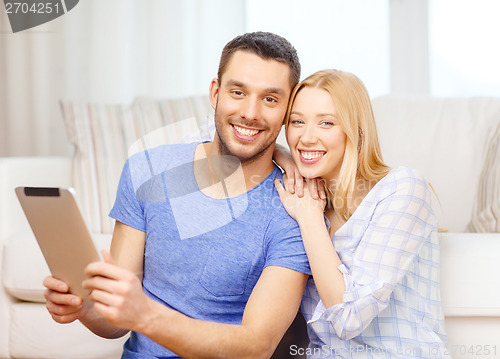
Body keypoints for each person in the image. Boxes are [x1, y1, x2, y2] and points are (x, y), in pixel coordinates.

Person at [43, 31, 313, 359]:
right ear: (215, 93)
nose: (251, 113)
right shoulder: (147, 170)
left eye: (270, 99)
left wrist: (144, 314)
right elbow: (115, 323)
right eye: (238, 91)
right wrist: (84, 307)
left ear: (287, 110)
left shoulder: (295, 209)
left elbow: (257, 346)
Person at [274, 69, 451, 358]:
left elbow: (348, 317)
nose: (306, 137)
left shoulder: (402, 188)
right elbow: (214, 135)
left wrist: (309, 219)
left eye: (326, 123)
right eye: (296, 122)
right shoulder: (299, 197)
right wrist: (278, 151)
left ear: (355, 130)